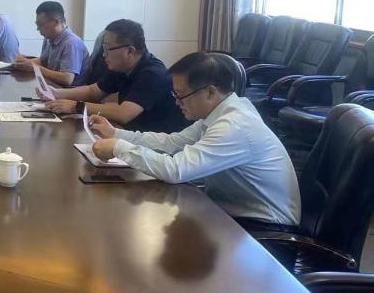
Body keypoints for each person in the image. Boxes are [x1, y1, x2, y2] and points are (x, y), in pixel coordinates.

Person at [89, 52, 301, 227]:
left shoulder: (234, 126)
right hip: (231, 214)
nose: (177, 102)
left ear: (210, 92)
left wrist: (119, 148)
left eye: (180, 95)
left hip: (265, 229)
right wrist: (116, 134)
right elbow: (171, 143)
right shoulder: (218, 115)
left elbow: (175, 170)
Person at [46, 19, 186, 133]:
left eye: (108, 49)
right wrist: (56, 93)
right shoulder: (121, 66)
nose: (103, 54)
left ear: (130, 51)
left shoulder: (153, 74)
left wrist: (76, 106)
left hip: (157, 145)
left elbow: (123, 113)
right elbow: (93, 91)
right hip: (131, 134)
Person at [13, 1, 89, 87]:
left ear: (56, 22)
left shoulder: (71, 43)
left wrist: (35, 68)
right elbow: (43, 61)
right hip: (52, 86)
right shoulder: (50, 38)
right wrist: (24, 62)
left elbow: (67, 79)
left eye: (41, 24)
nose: (38, 28)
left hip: (68, 91)